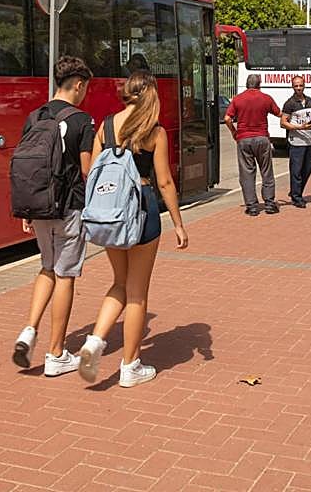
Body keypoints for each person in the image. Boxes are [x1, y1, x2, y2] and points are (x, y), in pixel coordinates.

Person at [75, 71, 188, 387]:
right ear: (150, 95)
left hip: (111, 212)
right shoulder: (154, 132)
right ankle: (130, 366)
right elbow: (164, 181)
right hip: (142, 211)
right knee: (137, 293)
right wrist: (178, 224)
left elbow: (93, 172)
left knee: (118, 283)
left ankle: (96, 341)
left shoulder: (106, 125)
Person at [11, 56, 95, 376]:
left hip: (39, 207)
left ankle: (29, 331)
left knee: (46, 267)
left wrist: (28, 210)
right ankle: (56, 353)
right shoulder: (82, 121)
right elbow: (87, 170)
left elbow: (28, 166)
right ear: (77, 84)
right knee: (65, 275)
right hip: (69, 208)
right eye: (84, 87)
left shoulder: (35, 116)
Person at [224, 74, 282, 215]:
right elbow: (279, 113)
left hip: (244, 139)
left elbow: (227, 118)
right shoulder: (266, 98)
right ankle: (269, 203)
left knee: (247, 173)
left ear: (246, 84)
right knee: (266, 171)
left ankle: (252, 206)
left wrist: (234, 132)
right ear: (259, 84)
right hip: (262, 138)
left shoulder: (238, 99)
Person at [280, 75, 311, 207]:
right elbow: (283, 123)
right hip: (296, 142)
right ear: (292, 87)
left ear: (304, 85)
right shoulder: (289, 103)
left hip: (309, 141)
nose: (298, 88)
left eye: (300, 85)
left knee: (307, 169)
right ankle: (297, 198)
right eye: (296, 86)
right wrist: (299, 127)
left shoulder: (310, 101)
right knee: (296, 171)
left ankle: (296, 191)